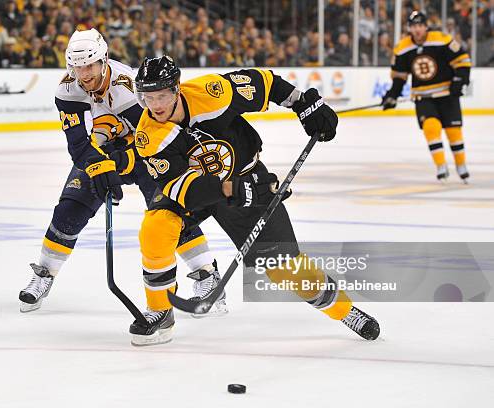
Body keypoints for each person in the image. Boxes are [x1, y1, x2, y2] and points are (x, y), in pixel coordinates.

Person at [128, 55, 381, 346]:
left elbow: (266, 82)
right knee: (157, 226)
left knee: (285, 268)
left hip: (248, 178)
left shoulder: (213, 93)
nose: (155, 105)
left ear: (176, 89)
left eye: (161, 95)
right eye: (147, 97)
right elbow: (180, 187)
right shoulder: (148, 135)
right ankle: (160, 312)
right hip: (198, 187)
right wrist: (230, 190)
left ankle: (345, 311)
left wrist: (303, 103)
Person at [18, 30, 225, 317]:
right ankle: (44, 273)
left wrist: (122, 160)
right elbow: (78, 144)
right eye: (77, 66)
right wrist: (101, 165)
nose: (83, 73)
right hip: (100, 151)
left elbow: (152, 138)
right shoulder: (67, 89)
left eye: (89, 65)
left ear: (104, 61)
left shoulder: (126, 87)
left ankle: (206, 275)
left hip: (146, 149)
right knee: (71, 207)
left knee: (167, 209)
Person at [382, 11, 472, 182]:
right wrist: (392, 96)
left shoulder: (442, 39)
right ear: (409, 28)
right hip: (423, 97)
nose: (417, 30)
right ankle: (441, 166)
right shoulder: (402, 48)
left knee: (454, 132)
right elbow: (399, 77)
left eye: (420, 26)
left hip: (447, 94)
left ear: (426, 27)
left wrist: (459, 82)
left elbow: (462, 61)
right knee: (431, 127)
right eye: (414, 26)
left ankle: (461, 165)